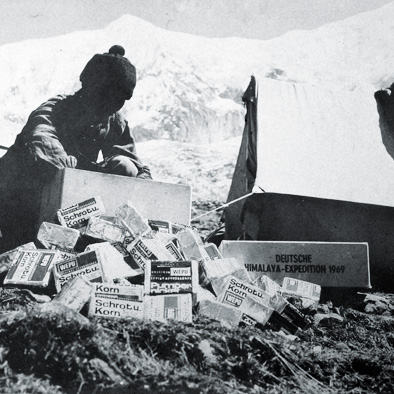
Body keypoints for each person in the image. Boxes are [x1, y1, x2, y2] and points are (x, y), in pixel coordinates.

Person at [0, 45, 151, 252]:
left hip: (64, 199)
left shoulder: (114, 121)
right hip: (17, 196)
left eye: (117, 101)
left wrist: (143, 185)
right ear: (87, 88)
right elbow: (42, 136)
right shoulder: (56, 108)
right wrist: (66, 163)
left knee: (124, 166)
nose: (107, 107)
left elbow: (130, 162)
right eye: (103, 98)